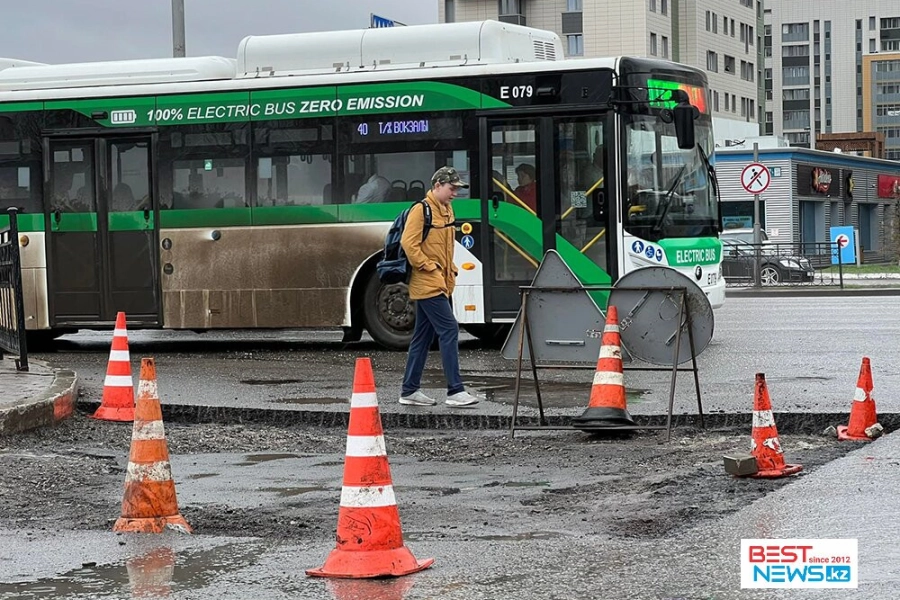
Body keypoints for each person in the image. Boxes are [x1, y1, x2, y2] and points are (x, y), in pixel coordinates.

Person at [398, 166, 483, 408]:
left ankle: (409, 390)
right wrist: (429, 266)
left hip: (442, 281)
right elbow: (408, 243)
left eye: (457, 188)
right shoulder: (421, 210)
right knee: (449, 329)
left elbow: (446, 246)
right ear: (437, 186)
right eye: (451, 188)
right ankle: (455, 390)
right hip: (428, 282)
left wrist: (450, 270)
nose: (455, 193)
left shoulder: (447, 209)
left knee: (422, 337)